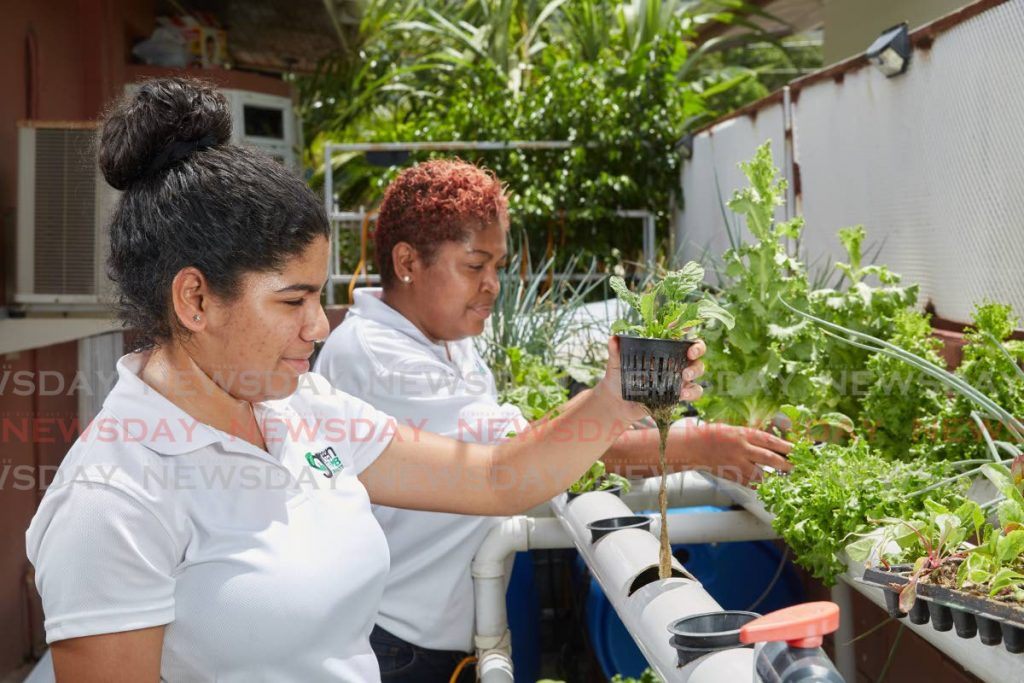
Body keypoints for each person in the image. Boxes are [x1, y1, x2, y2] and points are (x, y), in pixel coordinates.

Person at [23, 78, 707, 683]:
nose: (319, 327)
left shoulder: (301, 409)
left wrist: (617, 396)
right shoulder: (115, 496)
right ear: (195, 300)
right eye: (293, 302)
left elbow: (496, 476)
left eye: (319, 297)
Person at [314, 159, 794, 681]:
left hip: (446, 629)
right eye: (475, 266)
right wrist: (697, 443)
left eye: (497, 266)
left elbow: (537, 444)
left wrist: (628, 408)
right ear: (407, 261)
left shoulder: (444, 341)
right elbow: (519, 463)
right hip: (404, 646)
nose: (492, 285)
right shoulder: (381, 356)